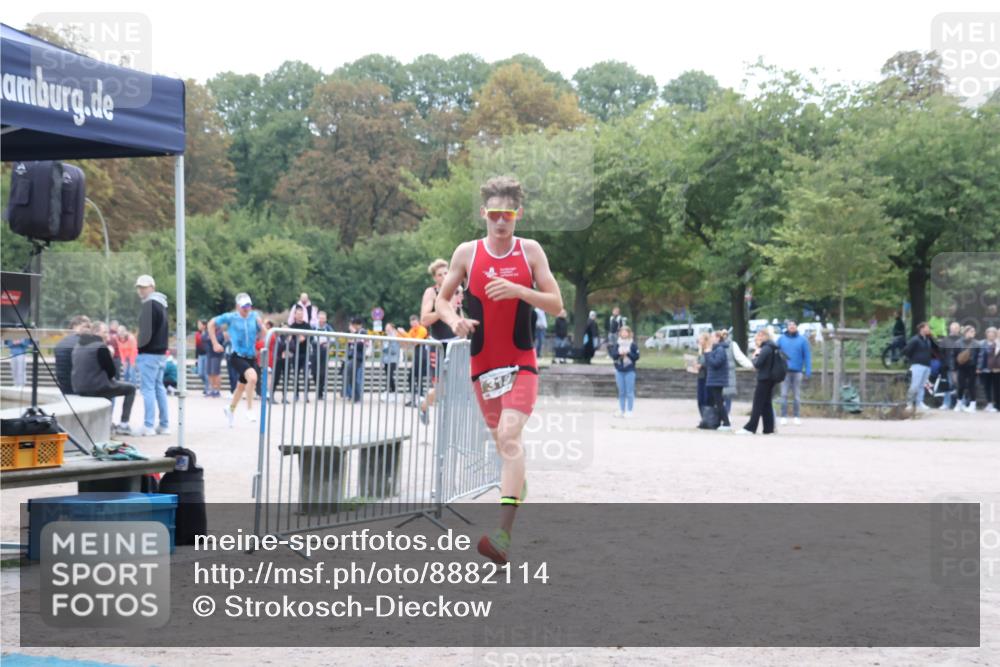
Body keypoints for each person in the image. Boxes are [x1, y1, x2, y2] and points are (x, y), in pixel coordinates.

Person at [433, 175, 563, 566]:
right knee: (504, 445)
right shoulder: (466, 254)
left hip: (521, 362)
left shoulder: (531, 252)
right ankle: (517, 483)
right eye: (494, 215)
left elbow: (556, 304)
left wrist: (520, 291)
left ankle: (503, 535)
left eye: (507, 214)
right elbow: (441, 301)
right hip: (482, 364)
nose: (501, 222)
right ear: (483, 214)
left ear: (518, 214)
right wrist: (454, 320)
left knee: (509, 435)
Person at [209, 292, 264, 426]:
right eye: (244, 306)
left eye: (249, 306)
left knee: (241, 387)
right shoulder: (231, 317)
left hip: (251, 356)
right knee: (252, 378)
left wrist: (261, 326)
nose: (247, 309)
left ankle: (230, 409)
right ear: (238, 306)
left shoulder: (254, 317)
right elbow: (211, 323)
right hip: (236, 355)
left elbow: (264, 334)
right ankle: (250, 409)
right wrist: (215, 343)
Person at [71, 321, 135, 436]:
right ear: (96, 332)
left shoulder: (78, 345)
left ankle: (108, 423)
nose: (107, 335)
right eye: (104, 332)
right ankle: (124, 425)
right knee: (130, 389)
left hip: (78, 387)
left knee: (111, 387)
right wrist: (110, 354)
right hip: (96, 387)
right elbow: (111, 372)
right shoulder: (100, 346)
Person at [420, 259, 461, 424]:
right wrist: (443, 308)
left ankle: (448, 419)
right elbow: (424, 319)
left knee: (455, 383)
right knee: (440, 386)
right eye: (440, 274)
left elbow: (459, 316)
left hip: (456, 343)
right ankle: (424, 406)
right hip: (438, 345)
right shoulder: (431, 293)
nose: (444, 277)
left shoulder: (456, 291)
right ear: (435, 278)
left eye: (446, 273)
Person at [135, 274, 170, 437]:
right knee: (159, 388)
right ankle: (164, 424)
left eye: (144, 287)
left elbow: (145, 333)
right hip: (160, 353)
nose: (141, 290)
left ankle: (148, 425)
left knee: (148, 389)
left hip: (149, 353)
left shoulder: (149, 305)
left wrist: (139, 347)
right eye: (139, 287)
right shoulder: (162, 305)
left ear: (152, 287)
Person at [738, 329, 781, 435]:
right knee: (766, 404)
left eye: (759, 337)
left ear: (764, 337)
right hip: (770, 379)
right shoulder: (773, 347)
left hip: (764, 379)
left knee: (757, 404)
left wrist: (756, 355)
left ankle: (750, 428)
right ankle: (768, 428)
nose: (757, 339)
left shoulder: (766, 348)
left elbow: (757, 364)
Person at [776, 321, 812, 425]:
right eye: (790, 325)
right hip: (784, 372)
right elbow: (776, 353)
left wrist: (808, 369)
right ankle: (783, 416)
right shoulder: (781, 339)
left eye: (793, 325)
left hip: (797, 371)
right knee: (784, 395)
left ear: (796, 327)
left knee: (797, 395)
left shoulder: (802, 340)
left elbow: (807, 356)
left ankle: (796, 416)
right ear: (787, 327)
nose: (792, 327)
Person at [902, 322, 936, 412]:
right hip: (917, 365)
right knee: (915, 385)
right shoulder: (915, 340)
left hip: (927, 366)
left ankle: (919, 403)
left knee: (921, 386)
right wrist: (913, 359)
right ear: (922, 329)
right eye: (927, 327)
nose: (929, 329)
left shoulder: (928, 340)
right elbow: (906, 350)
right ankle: (909, 403)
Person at [718, 329, 753, 416]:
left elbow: (740, 357)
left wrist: (751, 365)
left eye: (725, 333)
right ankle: (720, 415)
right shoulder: (715, 344)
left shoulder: (732, 344)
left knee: (727, 395)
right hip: (718, 373)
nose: (724, 335)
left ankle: (727, 415)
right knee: (718, 396)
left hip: (728, 374)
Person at [55, 315, 91, 394]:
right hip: (78, 387)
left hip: (64, 387)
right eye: (86, 326)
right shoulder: (81, 342)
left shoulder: (62, 342)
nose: (88, 329)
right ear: (75, 326)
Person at [608, 325, 639, 418]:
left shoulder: (633, 344)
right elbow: (613, 355)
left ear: (629, 333)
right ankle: (621, 410)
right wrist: (619, 353)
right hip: (619, 370)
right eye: (622, 332)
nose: (624, 334)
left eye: (626, 332)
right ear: (620, 333)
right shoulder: (617, 344)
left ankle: (629, 410)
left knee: (629, 391)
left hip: (629, 370)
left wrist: (628, 353)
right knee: (621, 391)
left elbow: (636, 357)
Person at [704, 332, 731, 429]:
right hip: (714, 379)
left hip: (717, 380)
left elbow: (715, 363)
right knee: (718, 401)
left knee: (719, 401)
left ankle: (726, 423)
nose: (710, 339)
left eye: (712, 337)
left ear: (718, 338)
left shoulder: (720, 349)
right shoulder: (715, 349)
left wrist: (707, 354)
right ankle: (717, 422)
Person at [287, 305, 314, 402]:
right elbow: (288, 339)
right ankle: (296, 394)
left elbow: (313, 337)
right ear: (294, 315)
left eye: (301, 314)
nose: (300, 316)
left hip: (306, 353)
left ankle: (306, 395)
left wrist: (305, 338)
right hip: (295, 354)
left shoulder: (307, 326)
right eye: (298, 314)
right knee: (296, 375)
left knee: (306, 375)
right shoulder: (292, 326)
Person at [402, 314, 429, 405]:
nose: (413, 324)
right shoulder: (412, 330)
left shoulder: (422, 330)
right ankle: (414, 397)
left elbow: (416, 342)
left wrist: (404, 334)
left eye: (415, 322)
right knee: (412, 377)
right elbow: (408, 342)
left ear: (418, 322)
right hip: (417, 355)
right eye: (412, 323)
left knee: (418, 377)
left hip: (423, 356)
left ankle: (419, 398)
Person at [954, 325, 981, 412]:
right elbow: (953, 356)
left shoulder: (977, 343)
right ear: (966, 332)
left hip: (972, 367)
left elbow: (980, 357)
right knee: (960, 386)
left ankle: (972, 405)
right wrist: (954, 368)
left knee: (972, 386)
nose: (973, 333)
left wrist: (978, 367)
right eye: (971, 331)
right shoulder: (958, 343)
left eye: (974, 331)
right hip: (961, 367)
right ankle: (959, 404)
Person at [343, 317, 366, 403]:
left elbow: (362, 344)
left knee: (355, 378)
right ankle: (354, 396)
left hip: (358, 357)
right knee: (350, 376)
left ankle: (357, 397)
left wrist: (353, 339)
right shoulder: (356, 333)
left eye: (353, 324)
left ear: (357, 325)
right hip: (352, 356)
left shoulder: (362, 332)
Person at [939, 321, 962, 410]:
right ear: (950, 329)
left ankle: (961, 403)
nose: (954, 330)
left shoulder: (962, 339)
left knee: (960, 385)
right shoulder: (945, 340)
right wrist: (944, 363)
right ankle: (946, 403)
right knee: (948, 385)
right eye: (953, 328)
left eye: (956, 328)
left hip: (960, 367)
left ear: (959, 329)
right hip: (948, 367)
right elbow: (940, 353)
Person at [313, 311, 334, 399]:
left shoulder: (328, 328)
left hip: (324, 351)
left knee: (322, 372)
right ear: (318, 318)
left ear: (326, 319)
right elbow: (309, 338)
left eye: (323, 318)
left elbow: (333, 338)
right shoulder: (313, 327)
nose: (322, 320)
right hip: (314, 350)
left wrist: (329, 343)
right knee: (314, 372)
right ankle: (318, 388)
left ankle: (321, 392)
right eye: (320, 318)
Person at [981, 327, 999, 413]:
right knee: (986, 387)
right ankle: (989, 403)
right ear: (986, 334)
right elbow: (980, 357)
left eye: (993, 334)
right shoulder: (982, 343)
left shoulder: (998, 344)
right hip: (985, 369)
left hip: (996, 370)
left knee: (996, 388)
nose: (991, 335)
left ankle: (996, 405)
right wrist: (979, 367)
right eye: (989, 334)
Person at [381, 323, 402, 398]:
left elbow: (394, 350)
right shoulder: (385, 337)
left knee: (390, 375)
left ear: (392, 328)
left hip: (393, 360)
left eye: (388, 328)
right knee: (388, 376)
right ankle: (390, 390)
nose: (387, 329)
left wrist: (386, 348)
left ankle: (391, 390)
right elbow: (382, 351)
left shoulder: (395, 337)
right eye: (386, 328)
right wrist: (382, 361)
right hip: (386, 360)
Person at [205, 323, 225, 398]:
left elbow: (219, 340)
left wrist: (211, 338)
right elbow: (204, 338)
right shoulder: (209, 332)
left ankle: (217, 390)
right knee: (209, 373)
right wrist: (210, 337)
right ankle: (212, 388)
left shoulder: (219, 333)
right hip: (209, 354)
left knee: (216, 373)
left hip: (216, 355)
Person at [194, 320, 210, 394]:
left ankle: (207, 388)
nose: (198, 326)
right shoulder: (197, 334)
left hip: (207, 355)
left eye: (199, 324)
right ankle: (207, 384)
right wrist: (196, 358)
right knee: (200, 373)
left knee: (206, 373)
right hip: (200, 355)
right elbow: (197, 346)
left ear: (204, 325)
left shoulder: (208, 333)